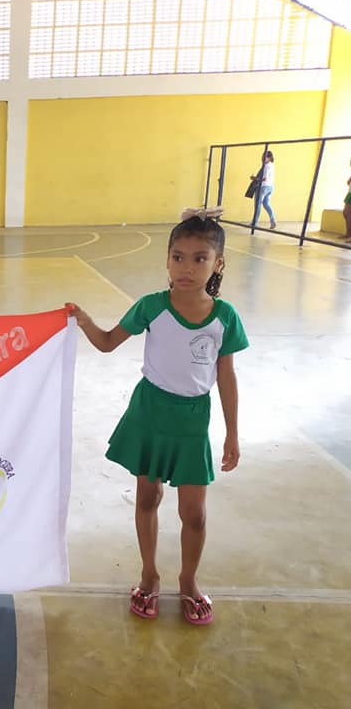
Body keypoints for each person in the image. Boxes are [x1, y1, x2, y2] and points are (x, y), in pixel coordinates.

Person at [67, 207, 248, 626]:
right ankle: (149, 574)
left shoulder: (225, 317)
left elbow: (226, 375)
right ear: (167, 260)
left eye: (200, 258)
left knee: (194, 514)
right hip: (149, 412)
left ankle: (188, 580)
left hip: (192, 422)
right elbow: (108, 343)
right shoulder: (152, 306)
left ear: (218, 264)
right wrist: (84, 321)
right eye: (178, 257)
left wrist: (232, 433)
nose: (187, 267)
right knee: (147, 498)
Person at [250, 150, 276, 230]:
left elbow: (264, 178)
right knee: (266, 204)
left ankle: (254, 223)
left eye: (264, 157)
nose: (262, 158)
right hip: (270, 187)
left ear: (269, 158)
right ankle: (273, 220)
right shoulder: (271, 165)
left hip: (263, 187)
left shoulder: (267, 166)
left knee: (257, 205)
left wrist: (254, 178)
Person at [343, 161, 351, 242]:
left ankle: (349, 235)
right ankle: (348, 233)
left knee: (347, 212)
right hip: (350, 193)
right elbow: (348, 182)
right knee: (345, 213)